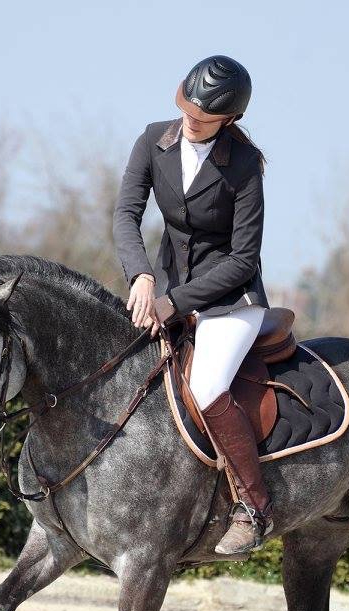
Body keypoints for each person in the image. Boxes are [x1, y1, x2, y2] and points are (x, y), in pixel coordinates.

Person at [112, 54, 273, 555]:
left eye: (203, 117)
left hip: (230, 302)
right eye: (186, 109)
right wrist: (141, 275)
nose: (190, 120)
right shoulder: (152, 140)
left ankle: (253, 508)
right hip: (162, 288)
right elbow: (126, 214)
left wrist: (175, 303)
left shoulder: (243, 165)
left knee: (205, 386)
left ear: (230, 119)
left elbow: (243, 259)